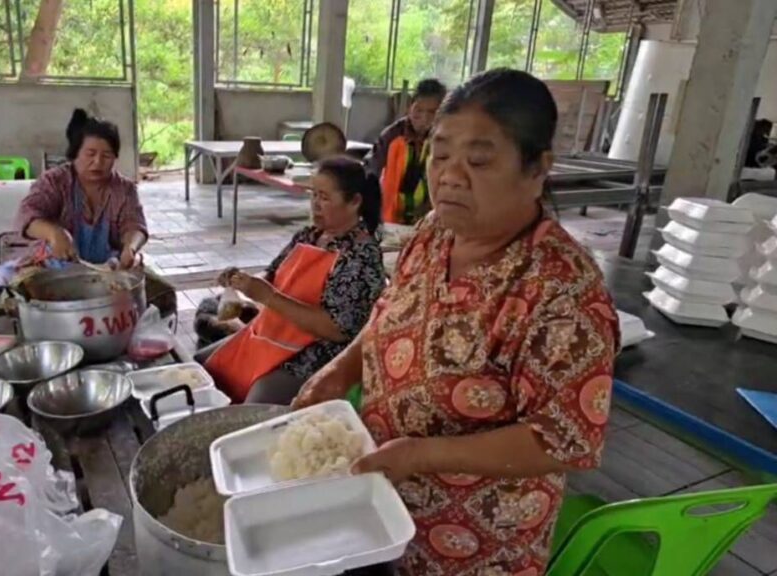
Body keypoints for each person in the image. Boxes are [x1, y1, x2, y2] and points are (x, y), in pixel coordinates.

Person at [293, 69, 620, 575]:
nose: (449, 176)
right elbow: (390, 310)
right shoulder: (435, 231)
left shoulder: (561, 290)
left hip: (475, 541)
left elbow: (562, 441)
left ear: (537, 169)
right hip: (386, 505)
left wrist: (420, 456)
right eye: (440, 155)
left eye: (479, 160)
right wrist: (341, 369)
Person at [195, 156, 386, 405]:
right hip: (274, 332)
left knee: (259, 402)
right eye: (313, 195)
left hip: (319, 351)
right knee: (202, 369)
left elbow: (337, 330)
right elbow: (272, 276)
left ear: (355, 202)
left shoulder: (361, 254)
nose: (315, 205)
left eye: (324, 197)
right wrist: (241, 282)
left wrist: (269, 297)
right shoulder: (308, 236)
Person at [15, 109, 175, 316]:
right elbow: (27, 215)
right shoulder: (54, 181)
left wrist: (130, 247)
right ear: (75, 153)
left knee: (163, 293)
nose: (98, 162)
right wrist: (54, 234)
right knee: (27, 300)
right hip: (53, 268)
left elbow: (134, 224)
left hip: (109, 269)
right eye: (90, 154)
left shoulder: (124, 188)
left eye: (106, 155)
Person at [366, 78, 447, 226]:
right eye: (418, 110)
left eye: (431, 113)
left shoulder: (446, 140)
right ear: (410, 107)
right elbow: (372, 170)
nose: (424, 118)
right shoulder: (392, 135)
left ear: (442, 113)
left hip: (429, 218)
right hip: (390, 217)